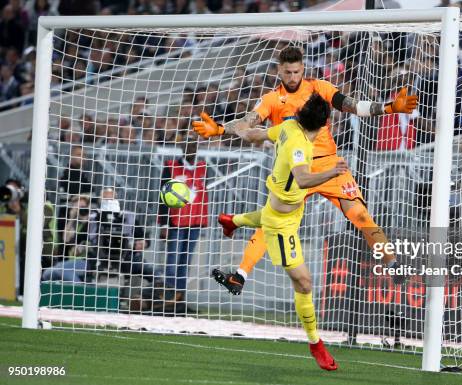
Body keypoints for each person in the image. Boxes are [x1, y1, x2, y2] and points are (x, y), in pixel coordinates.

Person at [193, 46, 418, 295]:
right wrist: (221, 129)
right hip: (295, 169)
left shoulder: (318, 87)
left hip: (330, 165)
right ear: (279, 70)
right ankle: (240, 275)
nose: (292, 77)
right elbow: (248, 122)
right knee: (272, 223)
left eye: (297, 71)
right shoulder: (271, 99)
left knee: (362, 216)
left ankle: (393, 265)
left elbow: (352, 105)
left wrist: (388, 108)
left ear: (303, 69)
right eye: (288, 72)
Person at [213, 93, 346, 370]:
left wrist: (230, 128)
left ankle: (233, 221)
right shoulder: (300, 146)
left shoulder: (287, 126)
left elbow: (254, 136)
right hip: (282, 225)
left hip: (285, 207)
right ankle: (316, 344)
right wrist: (333, 172)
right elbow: (303, 178)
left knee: (267, 215)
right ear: (324, 125)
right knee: (304, 283)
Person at [158, 131, 208, 301]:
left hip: (195, 221)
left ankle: (179, 300)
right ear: (181, 147)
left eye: (193, 144)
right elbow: (162, 197)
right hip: (176, 222)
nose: (191, 148)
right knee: (172, 262)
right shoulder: (171, 166)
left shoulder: (203, 168)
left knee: (185, 263)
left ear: (197, 147)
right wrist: (163, 224)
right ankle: (168, 298)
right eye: (187, 144)